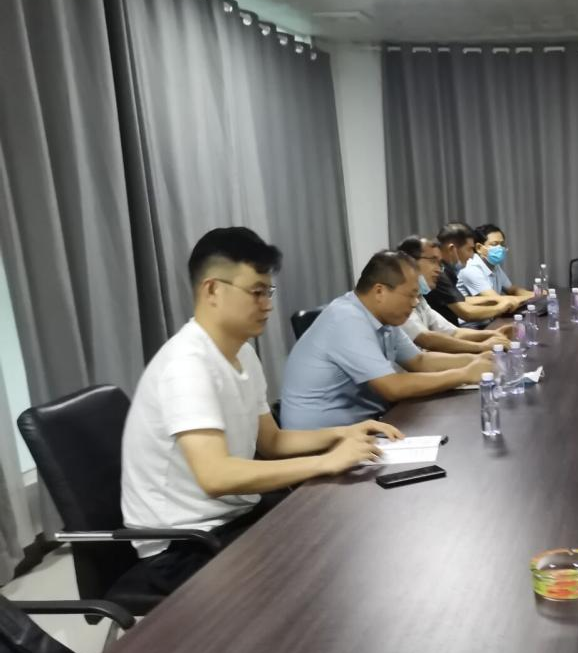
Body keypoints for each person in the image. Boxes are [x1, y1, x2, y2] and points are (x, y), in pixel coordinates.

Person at [121, 227, 400, 595]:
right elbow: (216, 476)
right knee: (321, 575)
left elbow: (272, 442)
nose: (267, 304)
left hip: (235, 517)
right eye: (256, 292)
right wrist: (324, 461)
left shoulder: (241, 352)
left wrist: (343, 433)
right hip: (184, 544)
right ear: (212, 290)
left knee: (346, 534)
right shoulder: (186, 365)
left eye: (268, 291)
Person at [280, 250, 491, 430]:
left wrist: (479, 360)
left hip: (364, 426)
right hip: (323, 441)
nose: (415, 303)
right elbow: (392, 387)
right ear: (380, 291)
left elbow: (420, 361)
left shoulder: (383, 318)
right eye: (410, 295)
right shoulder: (347, 318)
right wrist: (464, 374)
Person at [395, 235, 512, 353]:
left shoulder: (420, 299)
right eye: (433, 261)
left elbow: (454, 332)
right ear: (409, 262)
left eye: (439, 264)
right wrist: (483, 346)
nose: (438, 270)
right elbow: (427, 339)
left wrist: (493, 334)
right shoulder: (399, 301)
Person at [429, 222, 521, 326]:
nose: (472, 256)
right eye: (469, 249)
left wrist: (499, 299)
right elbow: (466, 313)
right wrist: (501, 306)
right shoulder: (438, 273)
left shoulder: (448, 270)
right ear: (452, 249)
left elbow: (463, 300)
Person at [456, 223, 535, 301]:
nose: (500, 248)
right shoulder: (471, 269)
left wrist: (537, 294)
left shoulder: (493, 265)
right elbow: (496, 300)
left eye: (502, 244)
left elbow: (512, 289)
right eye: (494, 244)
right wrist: (533, 297)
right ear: (479, 248)